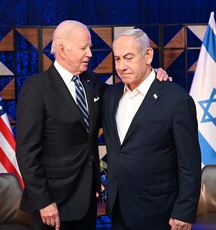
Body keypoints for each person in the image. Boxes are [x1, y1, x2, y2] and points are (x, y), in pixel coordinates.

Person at [16, 20, 169, 230]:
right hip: (53, 204)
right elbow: (27, 153)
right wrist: (44, 202)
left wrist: (153, 75)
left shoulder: (92, 82)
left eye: (89, 47)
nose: (90, 53)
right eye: (83, 48)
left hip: (88, 201)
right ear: (62, 49)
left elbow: (124, 96)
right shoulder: (36, 88)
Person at [102, 28, 202, 230]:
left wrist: (184, 210)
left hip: (158, 212)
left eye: (128, 58)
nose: (121, 66)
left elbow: (189, 162)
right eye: (118, 59)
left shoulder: (177, 99)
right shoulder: (110, 95)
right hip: (118, 208)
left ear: (148, 55)